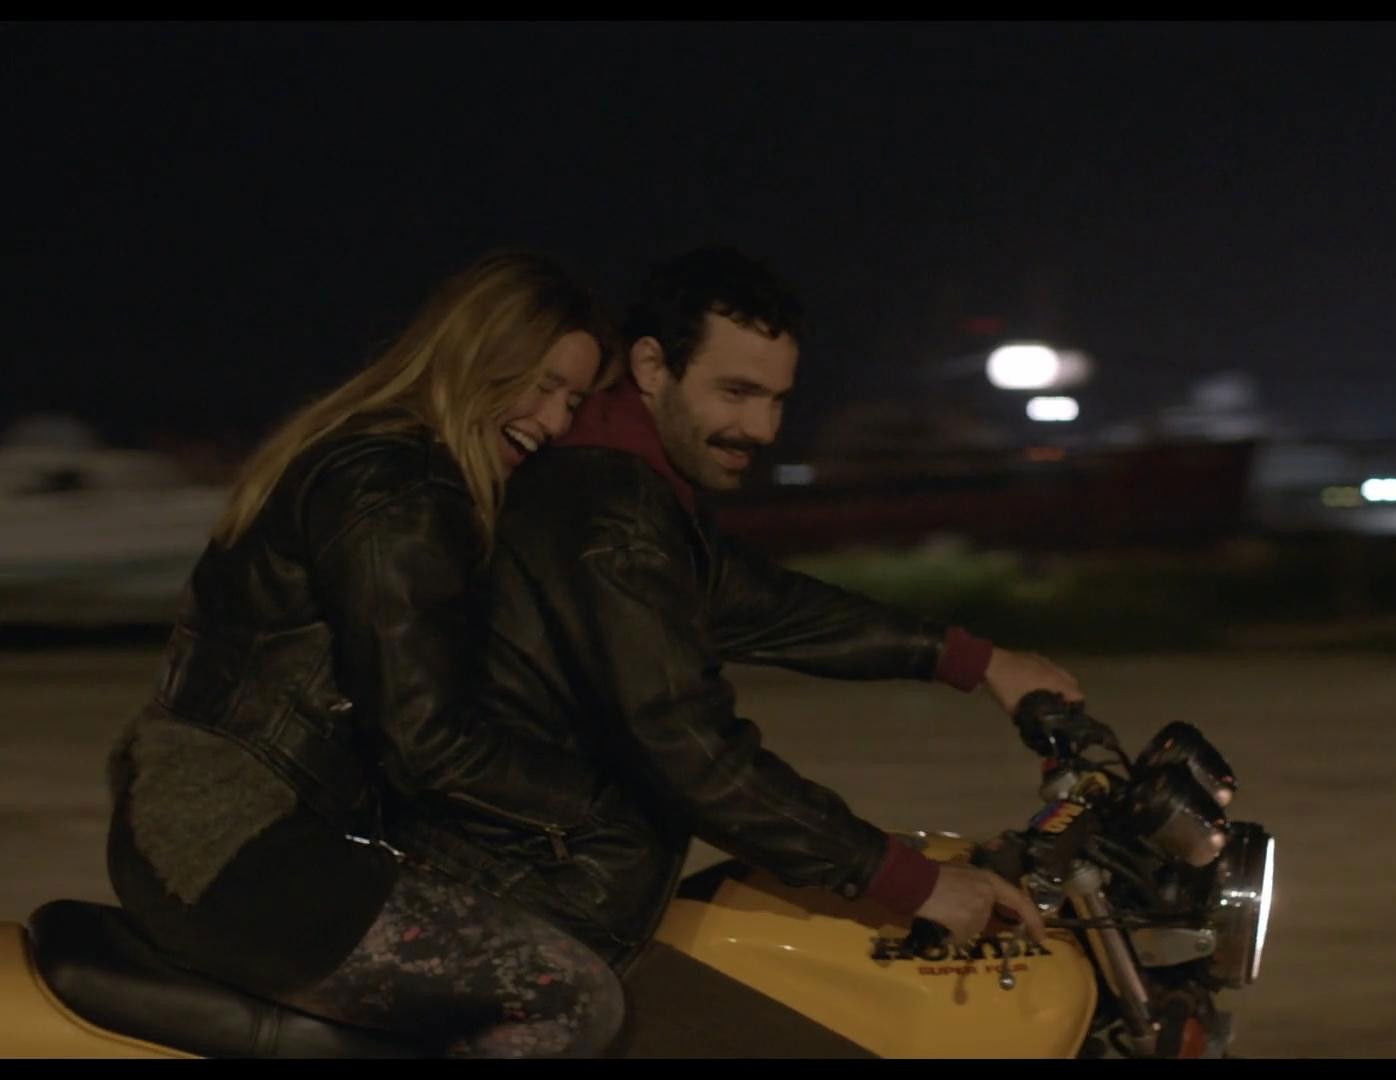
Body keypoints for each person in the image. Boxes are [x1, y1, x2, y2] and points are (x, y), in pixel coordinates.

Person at [388, 247, 1084, 976]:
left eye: (776, 400)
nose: (762, 428)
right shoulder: (610, 513)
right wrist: (909, 880)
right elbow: (688, 745)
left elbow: (772, 605)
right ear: (651, 367)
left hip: (540, 878)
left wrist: (980, 661)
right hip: (524, 896)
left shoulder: (632, 488)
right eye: (737, 393)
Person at [104, 250, 632, 1057]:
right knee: (568, 995)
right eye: (544, 384)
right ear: (479, 355)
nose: (556, 421)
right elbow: (428, 739)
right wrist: (597, 804)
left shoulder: (361, 452)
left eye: (573, 399)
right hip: (236, 850)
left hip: (197, 829)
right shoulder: (402, 487)